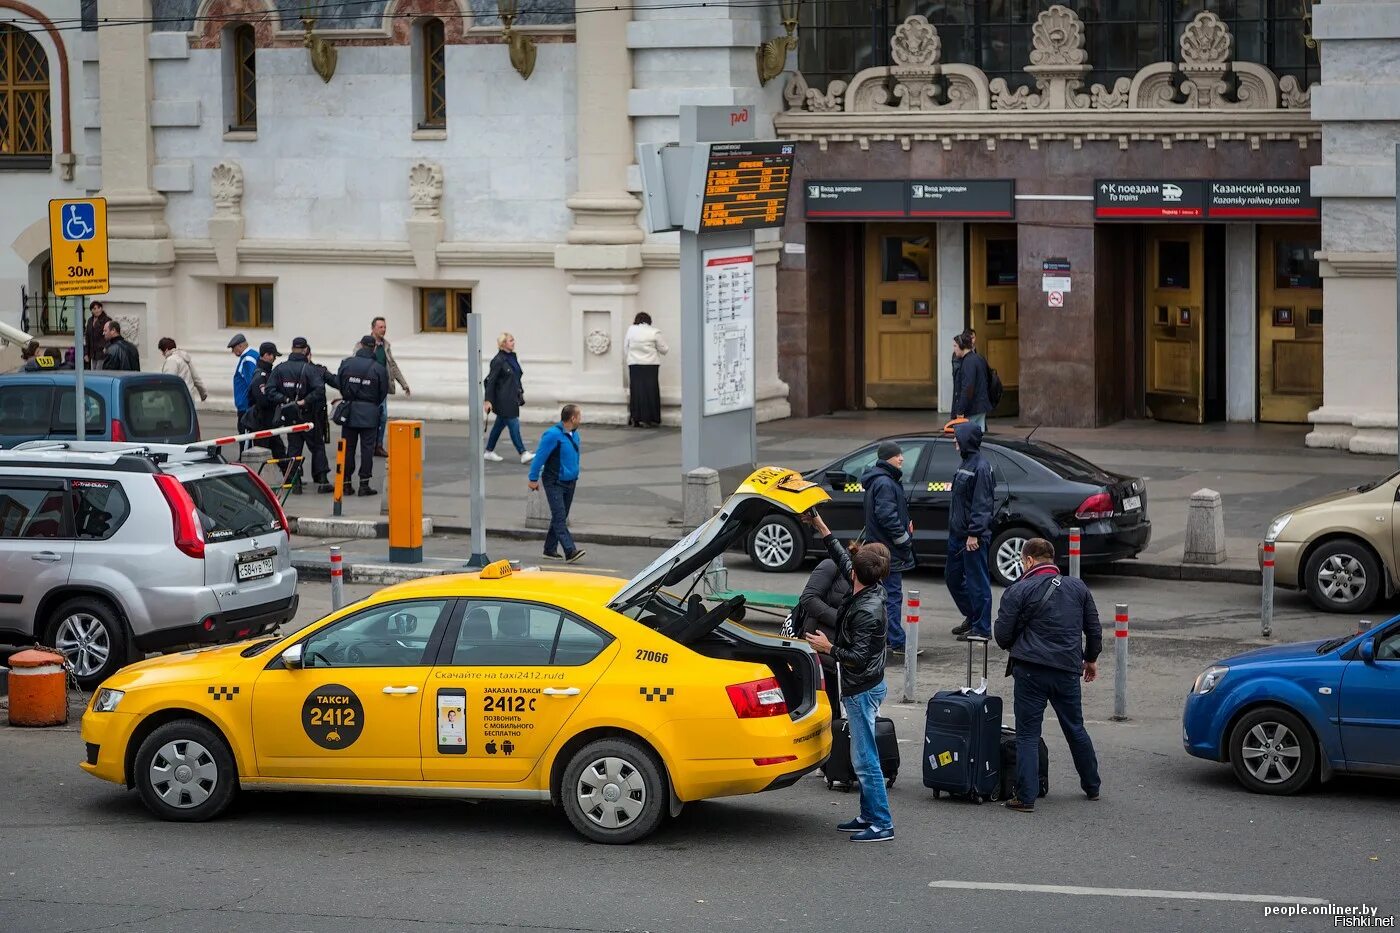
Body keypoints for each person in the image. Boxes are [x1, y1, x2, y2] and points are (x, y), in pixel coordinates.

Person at [803, 509, 894, 843]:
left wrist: (829, 647)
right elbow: (842, 556)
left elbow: (856, 657)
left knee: (865, 758)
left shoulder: (868, 610)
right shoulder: (866, 586)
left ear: (856, 575)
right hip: (864, 686)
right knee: (862, 754)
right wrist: (820, 525)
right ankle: (867, 815)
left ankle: (882, 822)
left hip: (862, 690)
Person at [993, 537, 1102, 812]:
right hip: (1067, 670)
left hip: (1030, 670)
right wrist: (1090, 659)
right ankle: (1092, 786)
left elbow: (1002, 636)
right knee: (1075, 728)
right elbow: (1094, 629)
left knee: (1028, 735)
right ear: (1051, 559)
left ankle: (1025, 797)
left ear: (1028, 560)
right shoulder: (1077, 587)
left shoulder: (1018, 590)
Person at [861, 440, 917, 656]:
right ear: (887, 459)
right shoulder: (885, 482)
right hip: (888, 550)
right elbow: (886, 515)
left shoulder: (881, 480)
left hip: (879, 547)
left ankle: (885, 639)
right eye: (897, 455)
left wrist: (905, 522)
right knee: (892, 596)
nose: (901, 458)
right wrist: (903, 538)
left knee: (882, 595)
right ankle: (897, 641)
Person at [797, 537, 858, 719]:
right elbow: (808, 599)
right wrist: (843, 621)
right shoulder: (831, 566)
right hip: (818, 650)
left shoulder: (867, 582)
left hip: (839, 656)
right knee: (819, 710)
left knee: (837, 714)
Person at [948, 420, 995, 641]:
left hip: (971, 537)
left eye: (957, 437)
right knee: (953, 579)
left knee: (978, 583)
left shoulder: (981, 467)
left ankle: (982, 628)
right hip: (958, 535)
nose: (954, 442)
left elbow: (982, 504)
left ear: (966, 440)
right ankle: (973, 616)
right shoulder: (966, 463)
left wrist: (974, 533)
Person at [272, 337, 332, 494]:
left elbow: (270, 391)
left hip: (290, 416)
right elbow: (320, 390)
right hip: (308, 415)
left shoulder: (280, 369)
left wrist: (285, 400)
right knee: (317, 446)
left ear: (292, 349)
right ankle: (323, 480)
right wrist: (305, 401)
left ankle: (295, 481)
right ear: (305, 350)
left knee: (294, 448)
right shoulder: (310, 369)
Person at [528, 404, 585, 563]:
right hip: (554, 481)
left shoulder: (575, 435)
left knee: (560, 516)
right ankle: (570, 551)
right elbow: (540, 457)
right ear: (573, 418)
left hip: (570, 482)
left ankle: (549, 549)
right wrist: (533, 479)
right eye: (579, 416)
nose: (580, 419)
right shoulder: (552, 435)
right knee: (560, 517)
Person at [338, 335, 389, 496]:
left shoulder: (347, 364)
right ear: (374, 347)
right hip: (369, 413)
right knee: (367, 449)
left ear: (360, 346)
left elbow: (340, 384)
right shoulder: (378, 368)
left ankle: (346, 483)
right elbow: (383, 392)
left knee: (348, 449)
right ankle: (364, 484)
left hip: (350, 411)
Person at [363, 316, 410, 458]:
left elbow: (392, 366)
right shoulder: (363, 344)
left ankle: (378, 445)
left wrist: (404, 384)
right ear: (373, 328)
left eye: (384, 327)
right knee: (369, 417)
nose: (383, 330)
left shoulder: (386, 346)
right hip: (368, 388)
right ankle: (368, 445)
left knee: (382, 417)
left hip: (382, 388)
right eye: (380, 327)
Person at [483, 332, 533, 464]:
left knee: (499, 425)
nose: (513, 342)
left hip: (512, 396)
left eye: (513, 340)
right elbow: (491, 381)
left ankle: (489, 451)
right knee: (513, 423)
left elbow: (516, 376)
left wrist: (520, 390)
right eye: (511, 340)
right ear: (503, 344)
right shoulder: (498, 360)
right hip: (503, 399)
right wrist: (488, 401)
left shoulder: (512, 357)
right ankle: (523, 453)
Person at [623, 312, 668, 428]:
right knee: (650, 391)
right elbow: (664, 349)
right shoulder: (654, 332)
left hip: (634, 364)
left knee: (636, 391)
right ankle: (652, 418)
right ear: (649, 321)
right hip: (650, 365)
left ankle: (636, 417)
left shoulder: (631, 330)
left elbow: (626, 347)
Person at [246, 342, 287, 463]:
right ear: (266, 355)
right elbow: (263, 400)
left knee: (279, 452)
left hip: (269, 422)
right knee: (261, 455)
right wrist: (277, 399)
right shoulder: (260, 376)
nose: (274, 359)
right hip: (261, 422)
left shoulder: (268, 373)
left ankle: (291, 479)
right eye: (273, 356)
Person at [951, 332, 992, 429]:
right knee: (979, 436)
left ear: (962, 346)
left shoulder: (968, 362)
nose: (954, 349)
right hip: (980, 406)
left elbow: (968, 387)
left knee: (968, 438)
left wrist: (960, 410)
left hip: (972, 409)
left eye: (955, 346)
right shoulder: (978, 358)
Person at [229, 334, 261, 441]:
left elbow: (251, 382)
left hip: (246, 405)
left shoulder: (247, 359)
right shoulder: (253, 355)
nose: (233, 352)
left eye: (233, 348)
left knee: (244, 436)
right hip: (248, 404)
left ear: (240, 346)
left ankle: (244, 457)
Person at [84, 301, 110, 369]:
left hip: (102, 352)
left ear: (101, 308)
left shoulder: (107, 320)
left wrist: (106, 347)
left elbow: (110, 335)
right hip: (93, 353)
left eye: (98, 308)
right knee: (93, 373)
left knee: (99, 372)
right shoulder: (90, 320)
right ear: (91, 310)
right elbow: (87, 337)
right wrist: (86, 353)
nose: (97, 310)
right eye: (94, 308)